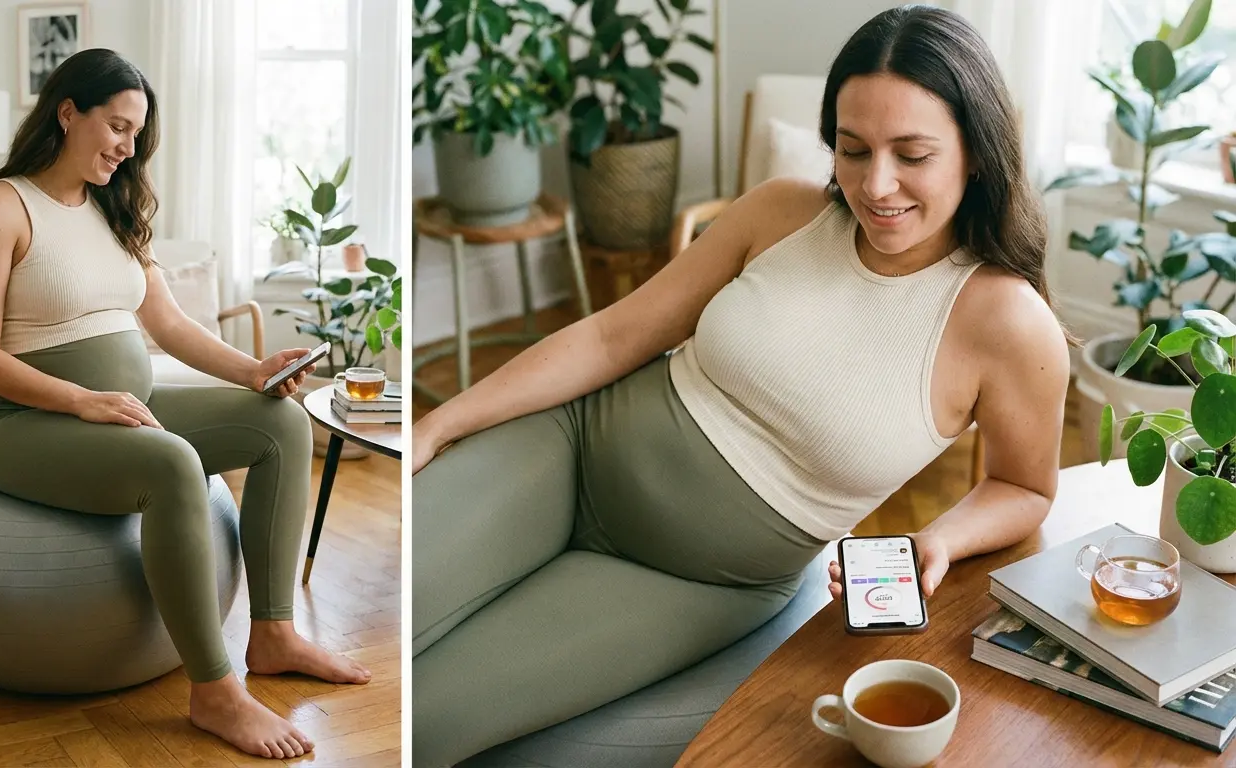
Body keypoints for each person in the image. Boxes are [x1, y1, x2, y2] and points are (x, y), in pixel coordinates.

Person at [411, 6, 1072, 766]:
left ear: (977, 155)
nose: (875, 184)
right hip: (570, 448)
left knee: (428, 720)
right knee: (402, 613)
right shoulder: (782, 211)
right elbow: (610, 335)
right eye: (852, 150)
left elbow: (1027, 486)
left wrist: (940, 538)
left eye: (912, 154)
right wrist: (443, 422)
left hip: (698, 579)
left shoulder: (1010, 324)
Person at [0, 48, 370, 761]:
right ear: (67, 113)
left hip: (118, 404)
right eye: (116, 127)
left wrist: (253, 371)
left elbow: (170, 325)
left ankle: (271, 635)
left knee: (280, 422)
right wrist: (81, 400)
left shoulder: (114, 210)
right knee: (174, 465)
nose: (126, 148)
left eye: (136, 136)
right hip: (16, 420)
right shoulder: (1, 207)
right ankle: (213, 691)